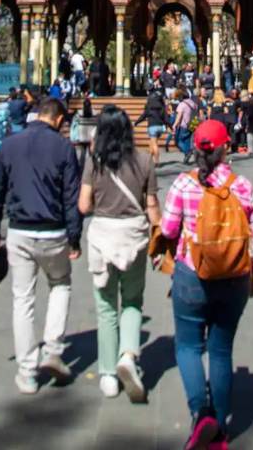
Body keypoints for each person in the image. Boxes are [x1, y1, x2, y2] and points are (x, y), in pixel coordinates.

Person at [161, 119, 253, 447]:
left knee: (188, 346)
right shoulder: (242, 186)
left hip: (191, 274)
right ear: (226, 148)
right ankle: (220, 427)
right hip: (235, 277)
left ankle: (201, 412)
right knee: (221, 351)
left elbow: (166, 229)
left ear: (195, 149)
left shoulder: (182, 183)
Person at [0, 97, 83, 395]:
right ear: (57, 120)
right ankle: (53, 349)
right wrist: (75, 237)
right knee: (60, 285)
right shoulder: (64, 148)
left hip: (19, 232)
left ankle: (27, 372)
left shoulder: (11, 145)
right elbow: (71, 198)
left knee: (23, 299)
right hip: (54, 233)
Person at [79, 106, 160, 402]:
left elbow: (84, 206)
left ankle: (108, 374)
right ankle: (128, 355)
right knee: (133, 300)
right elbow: (152, 206)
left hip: (103, 237)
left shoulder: (94, 161)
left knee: (106, 308)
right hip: (134, 237)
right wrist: (162, 236)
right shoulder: (144, 159)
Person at [136, 85, 168, 163]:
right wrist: (169, 125)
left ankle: (156, 161)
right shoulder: (161, 106)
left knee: (154, 144)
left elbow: (144, 115)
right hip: (161, 126)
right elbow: (165, 116)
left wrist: (137, 122)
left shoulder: (149, 105)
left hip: (152, 126)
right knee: (152, 142)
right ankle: (150, 159)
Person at [173, 89, 199, 163]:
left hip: (184, 125)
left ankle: (187, 152)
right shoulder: (193, 103)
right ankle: (186, 156)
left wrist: (175, 124)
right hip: (193, 124)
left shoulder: (182, 104)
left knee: (178, 141)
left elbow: (179, 116)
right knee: (187, 140)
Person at [238, 90, 253, 155]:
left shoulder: (249, 106)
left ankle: (250, 150)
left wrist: (245, 119)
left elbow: (248, 115)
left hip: (251, 123)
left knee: (250, 137)